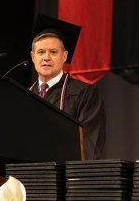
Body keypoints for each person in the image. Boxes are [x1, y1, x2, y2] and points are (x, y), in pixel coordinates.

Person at [29, 14, 106, 160]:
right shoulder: (24, 95)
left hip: (66, 177)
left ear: (64, 56)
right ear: (33, 57)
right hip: (26, 177)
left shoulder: (85, 93)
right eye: (40, 52)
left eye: (53, 52)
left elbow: (90, 144)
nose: (46, 57)